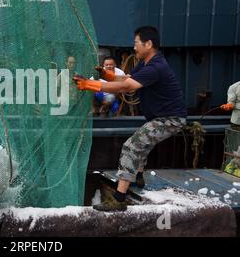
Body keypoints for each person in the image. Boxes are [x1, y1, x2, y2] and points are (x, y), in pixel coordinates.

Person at [74, 26, 187, 212]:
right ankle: (138, 176)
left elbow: (127, 87)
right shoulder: (146, 64)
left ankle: (119, 199)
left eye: (136, 43)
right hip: (161, 117)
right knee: (142, 142)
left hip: (170, 119)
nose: (134, 48)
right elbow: (129, 79)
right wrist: (108, 76)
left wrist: (89, 84)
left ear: (148, 44)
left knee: (132, 146)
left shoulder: (156, 67)